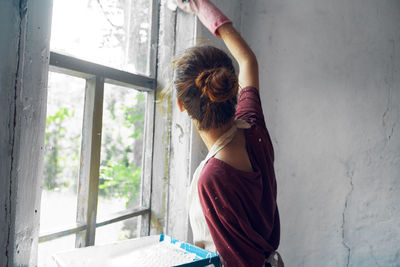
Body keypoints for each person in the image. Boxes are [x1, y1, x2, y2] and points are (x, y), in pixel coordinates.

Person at [174, 1, 284, 266]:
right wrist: (201, 6)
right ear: (231, 87)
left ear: (181, 104)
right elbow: (247, 59)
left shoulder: (212, 178)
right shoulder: (253, 125)